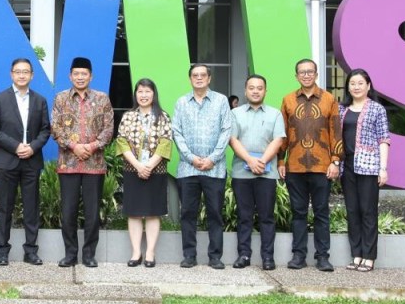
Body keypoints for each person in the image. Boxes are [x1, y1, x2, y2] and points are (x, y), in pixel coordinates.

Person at [0, 58, 51, 266]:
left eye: (26, 72)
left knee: (31, 207)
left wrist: (32, 147)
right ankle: (3, 251)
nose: (22, 75)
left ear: (32, 75)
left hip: (31, 161)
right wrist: (15, 146)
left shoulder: (40, 100)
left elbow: (45, 130)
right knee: (5, 208)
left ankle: (31, 251)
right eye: (18, 71)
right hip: (7, 161)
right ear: (11, 74)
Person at [279, 58, 342, 272]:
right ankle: (298, 256)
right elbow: (283, 133)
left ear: (316, 74)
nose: (306, 75)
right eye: (302, 72)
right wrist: (281, 160)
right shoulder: (288, 100)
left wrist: (335, 161)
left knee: (321, 212)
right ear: (296, 76)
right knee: (298, 213)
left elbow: (336, 132)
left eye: (310, 72)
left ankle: (322, 257)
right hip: (295, 167)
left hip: (322, 167)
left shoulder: (329, 99)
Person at [51, 56, 114, 268]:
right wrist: (74, 146)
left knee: (92, 212)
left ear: (91, 76)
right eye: (76, 74)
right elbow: (55, 128)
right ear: (70, 76)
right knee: (68, 211)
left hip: (94, 164)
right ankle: (70, 254)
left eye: (84, 74)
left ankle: (89, 255)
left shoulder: (102, 99)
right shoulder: (61, 98)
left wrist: (92, 146)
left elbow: (108, 129)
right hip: (68, 163)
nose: (80, 77)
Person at [172, 64, 232, 270]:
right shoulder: (181, 102)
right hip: (188, 169)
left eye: (202, 75)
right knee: (188, 214)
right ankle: (189, 256)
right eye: (195, 75)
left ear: (209, 78)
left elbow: (226, 131)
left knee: (215, 213)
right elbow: (176, 132)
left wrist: (212, 159)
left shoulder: (221, 101)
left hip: (214, 169)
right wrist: (191, 158)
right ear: (190, 79)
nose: (199, 78)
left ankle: (215, 257)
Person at [229, 74, 285, 271]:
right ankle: (243, 255)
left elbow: (278, 140)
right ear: (245, 91)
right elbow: (232, 140)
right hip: (241, 173)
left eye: (259, 88)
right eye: (251, 88)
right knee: (244, 216)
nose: (255, 91)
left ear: (265, 91)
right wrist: (250, 160)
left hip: (266, 174)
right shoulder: (235, 113)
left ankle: (267, 257)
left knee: (266, 217)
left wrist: (261, 161)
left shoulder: (275, 114)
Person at [338, 69, 390, 273]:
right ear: (348, 87)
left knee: (368, 211)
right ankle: (356, 254)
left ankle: (369, 257)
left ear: (368, 86)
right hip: (347, 166)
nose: (356, 87)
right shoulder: (342, 109)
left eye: (360, 83)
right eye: (352, 83)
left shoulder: (377, 109)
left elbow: (383, 139)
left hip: (369, 166)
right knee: (352, 211)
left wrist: (383, 168)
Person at [116, 78, 172, 268]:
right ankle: (136, 252)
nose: (144, 95)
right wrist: (138, 166)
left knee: (152, 213)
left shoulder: (163, 117)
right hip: (132, 170)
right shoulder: (128, 116)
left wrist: (149, 165)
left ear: (154, 94)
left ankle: (150, 253)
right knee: (133, 213)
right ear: (135, 94)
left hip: (156, 171)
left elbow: (165, 143)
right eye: (140, 91)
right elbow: (122, 142)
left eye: (147, 91)